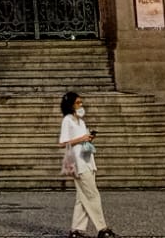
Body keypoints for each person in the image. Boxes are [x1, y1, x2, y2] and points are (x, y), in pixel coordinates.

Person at [58, 90, 116, 238]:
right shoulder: (67, 120)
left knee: (82, 196)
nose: (81, 105)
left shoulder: (81, 121)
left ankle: (76, 230)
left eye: (81, 102)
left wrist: (88, 138)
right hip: (78, 162)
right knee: (92, 194)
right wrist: (81, 139)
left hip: (87, 159)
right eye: (77, 102)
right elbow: (63, 143)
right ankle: (102, 228)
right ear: (70, 105)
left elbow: (82, 139)